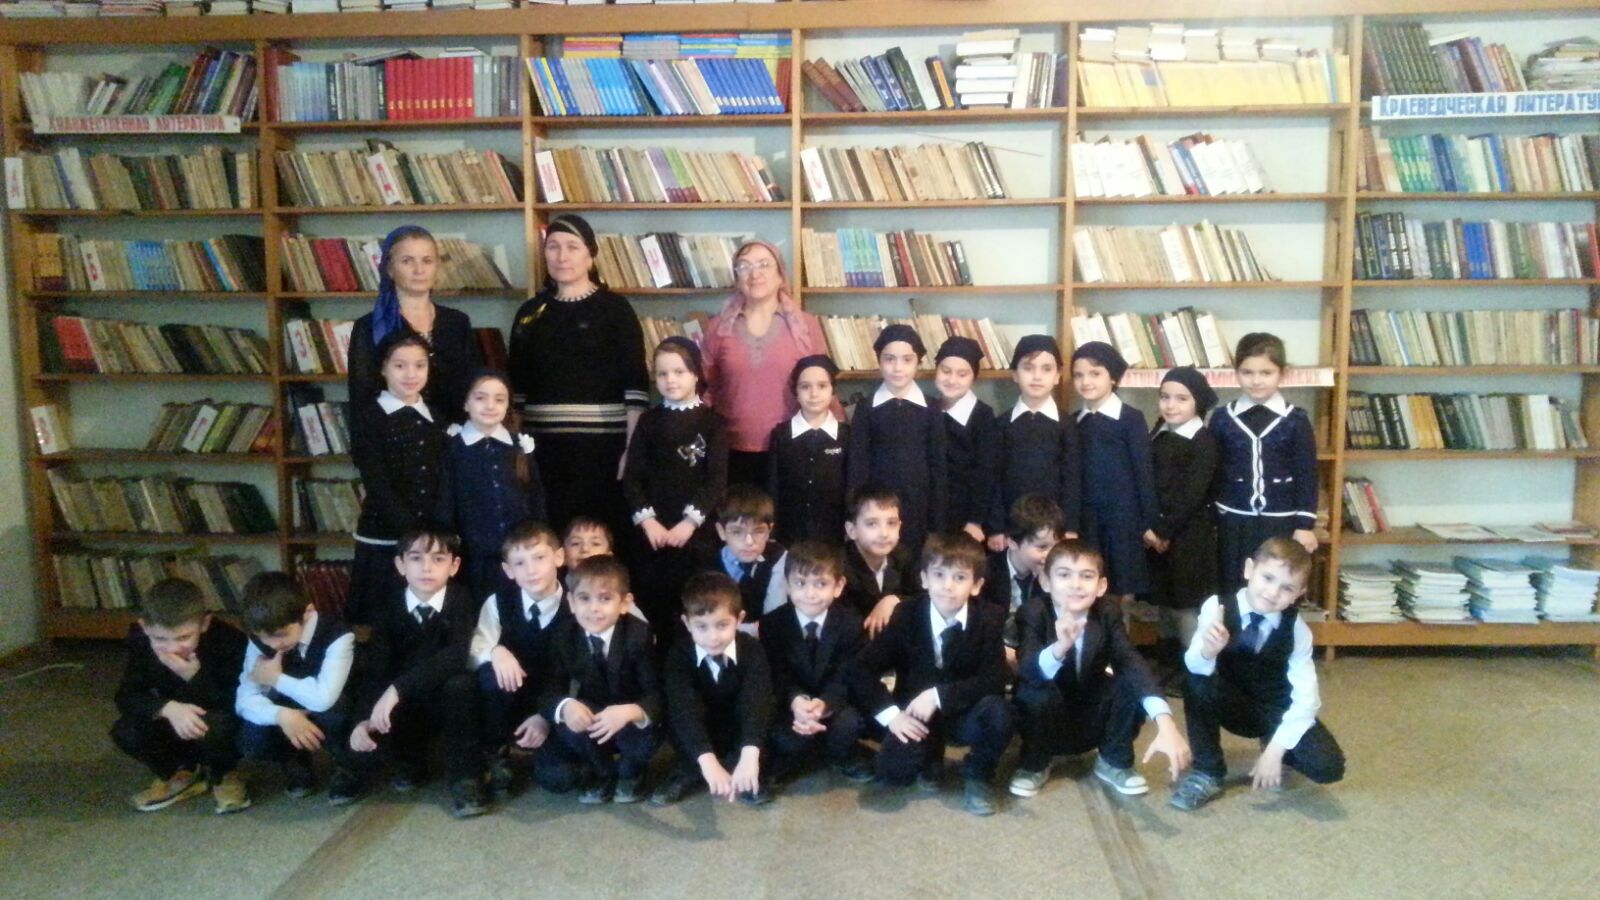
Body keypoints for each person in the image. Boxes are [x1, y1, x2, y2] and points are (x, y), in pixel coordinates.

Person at [1170, 537, 1345, 811]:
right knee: (1196, 681)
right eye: (1268, 578)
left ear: (1299, 593)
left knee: (1328, 767)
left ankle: (1273, 745)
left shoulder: (1297, 630)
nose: (1273, 592)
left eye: (1287, 588)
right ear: (1249, 569)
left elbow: (1307, 699)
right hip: (1227, 700)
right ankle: (1207, 771)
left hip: (1274, 707)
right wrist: (1208, 650)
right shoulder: (1218, 607)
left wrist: (1277, 748)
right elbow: (1194, 665)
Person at [1009, 539, 1191, 800]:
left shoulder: (1107, 612)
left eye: (1086, 576)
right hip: (1046, 717)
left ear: (1101, 586)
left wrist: (1165, 722)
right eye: (1064, 575)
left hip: (1090, 713)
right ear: (1046, 582)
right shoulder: (1033, 612)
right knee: (1034, 691)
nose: (1075, 584)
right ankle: (1034, 763)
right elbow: (1029, 671)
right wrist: (1060, 648)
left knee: (1128, 683)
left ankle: (1114, 760)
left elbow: (1129, 661)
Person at [850, 532, 1013, 816]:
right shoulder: (906, 615)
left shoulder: (989, 618)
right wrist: (892, 716)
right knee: (893, 773)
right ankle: (930, 758)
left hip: (964, 711)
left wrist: (939, 695)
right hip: (916, 713)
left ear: (976, 585)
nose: (947, 586)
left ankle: (979, 774)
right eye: (939, 575)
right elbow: (861, 668)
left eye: (959, 578)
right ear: (924, 579)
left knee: (999, 713)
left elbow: (994, 677)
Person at [508, 213, 650, 535]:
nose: (562, 256)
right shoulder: (529, 313)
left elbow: (636, 389)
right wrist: (516, 451)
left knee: (601, 537)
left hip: (603, 450)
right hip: (543, 452)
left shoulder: (615, 310)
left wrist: (632, 451)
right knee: (551, 537)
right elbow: (516, 392)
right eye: (553, 247)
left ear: (590, 255)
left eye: (572, 247)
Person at [333, 529, 487, 818]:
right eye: (416, 558)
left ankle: (465, 777)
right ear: (400, 564)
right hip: (401, 703)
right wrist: (363, 719)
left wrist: (397, 689)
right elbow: (377, 668)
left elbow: (456, 656)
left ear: (454, 566)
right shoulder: (387, 603)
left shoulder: (460, 599)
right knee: (365, 722)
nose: (427, 568)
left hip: (442, 697)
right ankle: (388, 763)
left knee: (462, 684)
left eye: (438, 559)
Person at [622, 336, 729, 644]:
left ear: (696, 374)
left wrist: (689, 523)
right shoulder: (648, 421)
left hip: (697, 536)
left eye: (679, 372)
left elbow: (716, 481)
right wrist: (648, 522)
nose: (670, 380)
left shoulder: (713, 423)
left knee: (696, 605)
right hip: (653, 536)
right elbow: (632, 478)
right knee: (655, 607)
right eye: (662, 373)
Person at [110, 578, 248, 814]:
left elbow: (238, 703)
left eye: (183, 637)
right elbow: (126, 697)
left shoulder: (229, 641)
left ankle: (224, 773)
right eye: (160, 639)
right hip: (175, 721)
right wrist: (167, 708)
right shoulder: (141, 643)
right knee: (126, 730)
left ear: (204, 624)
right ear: (144, 627)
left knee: (217, 724)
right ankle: (184, 770)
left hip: (219, 721)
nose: (172, 648)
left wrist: (195, 677)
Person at [701, 240, 831, 488]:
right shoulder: (717, 328)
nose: (755, 274)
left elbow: (823, 384)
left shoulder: (806, 326)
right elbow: (708, 387)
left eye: (763, 265)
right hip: (730, 449)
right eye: (744, 266)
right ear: (736, 278)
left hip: (795, 446)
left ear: (781, 275)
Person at [537, 555, 662, 804]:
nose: (594, 608)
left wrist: (632, 711)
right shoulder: (563, 635)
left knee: (645, 738)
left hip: (630, 718)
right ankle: (602, 771)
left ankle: (631, 771)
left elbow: (657, 693)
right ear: (571, 602)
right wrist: (565, 706)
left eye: (605, 599)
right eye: (584, 598)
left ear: (624, 603)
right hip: (592, 716)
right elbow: (548, 689)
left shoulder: (639, 635)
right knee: (554, 777)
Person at [347, 331, 448, 627]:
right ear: (383, 368)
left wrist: (436, 527)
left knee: (426, 620)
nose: (411, 374)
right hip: (386, 536)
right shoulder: (370, 417)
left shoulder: (436, 416)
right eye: (400, 365)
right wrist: (412, 534)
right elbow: (377, 483)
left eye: (419, 365)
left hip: (430, 536)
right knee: (382, 622)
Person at [652, 572, 775, 806]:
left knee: (763, 714)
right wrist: (707, 760)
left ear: (739, 619)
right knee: (677, 714)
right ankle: (691, 769)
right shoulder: (678, 655)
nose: (713, 637)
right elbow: (683, 709)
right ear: (687, 623)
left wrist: (750, 753)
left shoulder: (752, 650)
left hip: (737, 728)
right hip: (698, 729)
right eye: (702, 627)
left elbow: (756, 702)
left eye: (722, 625)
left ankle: (747, 769)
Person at [469, 521, 572, 798]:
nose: (531, 570)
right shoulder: (498, 602)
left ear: (559, 557)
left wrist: (547, 715)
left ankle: (551, 748)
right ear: (508, 571)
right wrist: (496, 652)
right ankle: (496, 749)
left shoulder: (578, 603)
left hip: (556, 702)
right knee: (489, 674)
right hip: (512, 696)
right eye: (520, 563)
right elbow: (476, 645)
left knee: (560, 779)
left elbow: (582, 673)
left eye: (539, 558)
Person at [1211, 333, 1319, 595]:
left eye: (1266, 372)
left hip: (1281, 522)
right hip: (1233, 520)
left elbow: (1307, 473)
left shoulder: (1296, 420)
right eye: (1247, 372)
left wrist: (1304, 525)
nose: (1256, 380)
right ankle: (1232, 622)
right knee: (1234, 582)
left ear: (1282, 373)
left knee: (1278, 585)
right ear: (1236, 372)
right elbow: (1213, 470)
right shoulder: (1222, 418)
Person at [759, 540, 873, 785]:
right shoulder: (772, 624)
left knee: (848, 726)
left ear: (838, 586)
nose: (810, 594)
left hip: (834, 704)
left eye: (821, 584)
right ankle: (798, 755)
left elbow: (848, 673)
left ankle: (842, 755)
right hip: (792, 706)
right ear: (787, 585)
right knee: (785, 737)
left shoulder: (850, 622)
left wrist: (825, 704)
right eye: (800, 583)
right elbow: (776, 673)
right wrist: (796, 701)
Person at [235, 572, 355, 803]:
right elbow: (244, 700)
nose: (272, 645)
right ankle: (295, 764)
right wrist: (283, 716)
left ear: (307, 612)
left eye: (280, 635)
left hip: (339, 705)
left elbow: (324, 698)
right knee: (251, 737)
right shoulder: (262, 637)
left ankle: (346, 766)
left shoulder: (337, 634)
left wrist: (275, 678)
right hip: (290, 707)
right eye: (263, 637)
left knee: (335, 713)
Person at [346, 224, 482, 424]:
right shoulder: (370, 327)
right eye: (407, 261)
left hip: (455, 433)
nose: (419, 270)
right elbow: (362, 398)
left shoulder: (457, 322)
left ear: (437, 266)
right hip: (396, 435)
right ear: (389, 269)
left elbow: (474, 387)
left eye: (427, 260)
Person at [1141, 366, 1221, 688]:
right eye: (1165, 397)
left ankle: (1191, 669)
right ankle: (1166, 664)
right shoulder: (1159, 431)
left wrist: (1163, 531)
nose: (1170, 405)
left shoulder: (1203, 441)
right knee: (1164, 602)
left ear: (1197, 402)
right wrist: (1150, 528)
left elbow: (1192, 494)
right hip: (1156, 535)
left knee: (1185, 604)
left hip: (1188, 536)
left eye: (1181, 399)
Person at [436, 369, 546, 601]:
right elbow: (445, 501)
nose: (490, 405)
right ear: (466, 403)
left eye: (499, 399)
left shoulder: (519, 445)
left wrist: (539, 537)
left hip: (519, 555)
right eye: (480, 398)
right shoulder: (453, 448)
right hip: (474, 556)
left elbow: (535, 494)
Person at [847, 323, 947, 555]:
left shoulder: (932, 408)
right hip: (876, 510)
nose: (898, 368)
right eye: (889, 359)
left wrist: (938, 524)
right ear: (879, 361)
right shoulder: (866, 407)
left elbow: (938, 467)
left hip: (919, 507)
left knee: (915, 563)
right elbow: (858, 464)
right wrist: (855, 514)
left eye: (907, 360)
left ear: (918, 363)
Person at [1071, 341, 1158, 603]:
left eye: (1095, 373)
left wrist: (1148, 521)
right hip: (1087, 518)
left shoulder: (1131, 418)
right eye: (1079, 375)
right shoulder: (1074, 421)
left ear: (1113, 377)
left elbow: (1143, 471)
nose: (1086, 381)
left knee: (1122, 584)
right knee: (1088, 578)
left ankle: (1122, 629)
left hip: (1123, 518)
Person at [989, 334, 1081, 550]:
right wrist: (996, 527)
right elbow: (993, 478)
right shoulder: (1001, 424)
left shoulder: (1067, 425)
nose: (1037, 376)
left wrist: (1070, 528)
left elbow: (1072, 479)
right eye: (1028, 368)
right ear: (1015, 374)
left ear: (1057, 376)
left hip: (1054, 530)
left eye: (1046, 369)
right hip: (1011, 528)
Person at [766, 354, 849, 545]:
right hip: (790, 535)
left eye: (822, 386)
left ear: (833, 390)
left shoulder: (846, 436)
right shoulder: (781, 435)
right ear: (795, 391)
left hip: (834, 536)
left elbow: (851, 487)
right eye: (805, 386)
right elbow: (773, 487)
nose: (814, 394)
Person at [979, 493, 1065, 664]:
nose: (1050, 555)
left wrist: (1048, 589)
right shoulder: (986, 574)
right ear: (1012, 542)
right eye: (1042, 547)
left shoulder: (1059, 576)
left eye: (1055, 547)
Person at [933, 336, 1000, 543]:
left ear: (974, 378)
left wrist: (975, 520)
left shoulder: (983, 416)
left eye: (962, 374)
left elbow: (986, 472)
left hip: (968, 518)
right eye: (946, 371)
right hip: (934, 513)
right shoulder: (928, 410)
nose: (952, 380)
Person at [839, 485, 918, 636]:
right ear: (852, 531)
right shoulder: (839, 567)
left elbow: (922, 596)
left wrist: (894, 600)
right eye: (872, 524)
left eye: (891, 523)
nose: (884, 533)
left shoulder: (903, 557)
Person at [708, 484, 788, 623]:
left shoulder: (777, 556)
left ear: (769, 530)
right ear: (721, 531)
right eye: (737, 532)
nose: (749, 542)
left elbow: (775, 617)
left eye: (758, 531)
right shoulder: (709, 564)